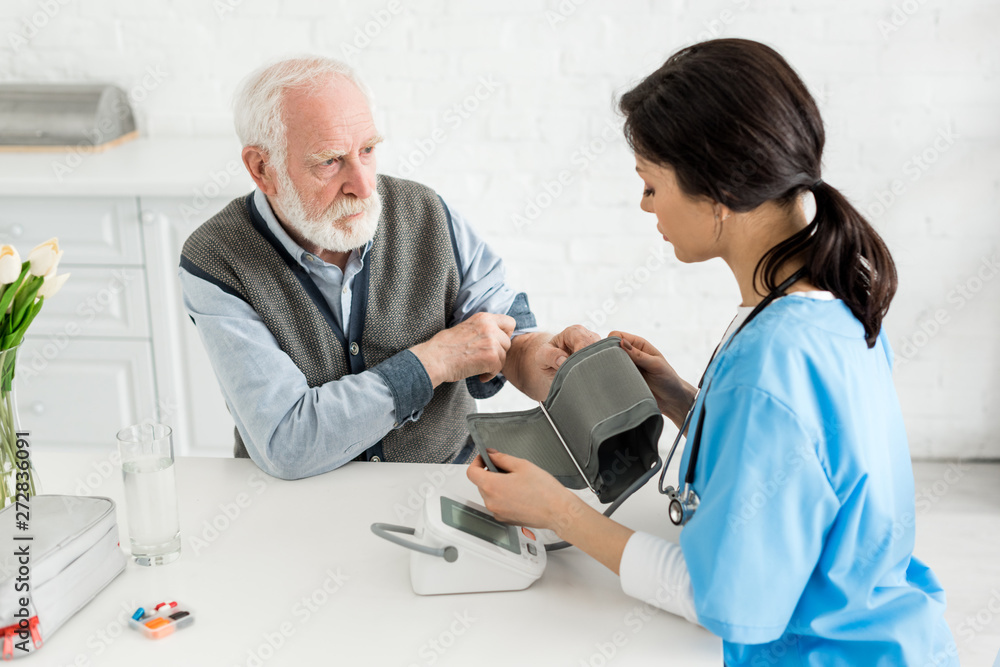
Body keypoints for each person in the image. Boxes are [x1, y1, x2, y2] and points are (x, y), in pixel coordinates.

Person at [468, 39, 958, 666]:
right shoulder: (834, 297)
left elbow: (721, 599)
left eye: (651, 185)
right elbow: (804, 463)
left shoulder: (769, 366)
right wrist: (680, 398)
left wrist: (556, 510)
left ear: (719, 193)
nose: (645, 205)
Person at [179, 56, 569, 479]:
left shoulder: (426, 213)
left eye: (367, 151)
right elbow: (286, 441)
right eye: (329, 161)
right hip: (300, 505)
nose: (364, 186)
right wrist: (432, 362)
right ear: (262, 168)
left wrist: (544, 358)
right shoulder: (217, 258)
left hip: (444, 485)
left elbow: (506, 333)